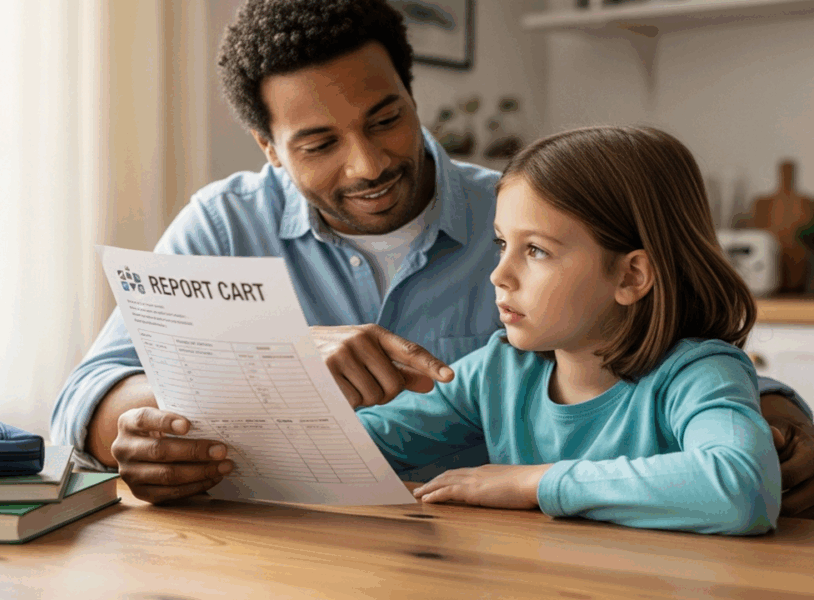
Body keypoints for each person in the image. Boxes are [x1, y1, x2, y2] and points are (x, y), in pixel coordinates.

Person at [50, 0, 814, 514]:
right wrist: (233, 409)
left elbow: (697, 371)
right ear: (268, 148)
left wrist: (777, 424)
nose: (367, 164)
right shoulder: (221, 225)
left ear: (413, 95)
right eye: (318, 143)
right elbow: (92, 389)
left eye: (386, 118)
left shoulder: (522, 203)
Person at [359, 125, 780, 534]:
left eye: (536, 250)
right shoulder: (499, 371)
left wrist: (534, 484)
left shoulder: (697, 375)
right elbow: (355, 450)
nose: (499, 275)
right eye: (502, 244)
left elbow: (743, 487)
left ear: (631, 276)